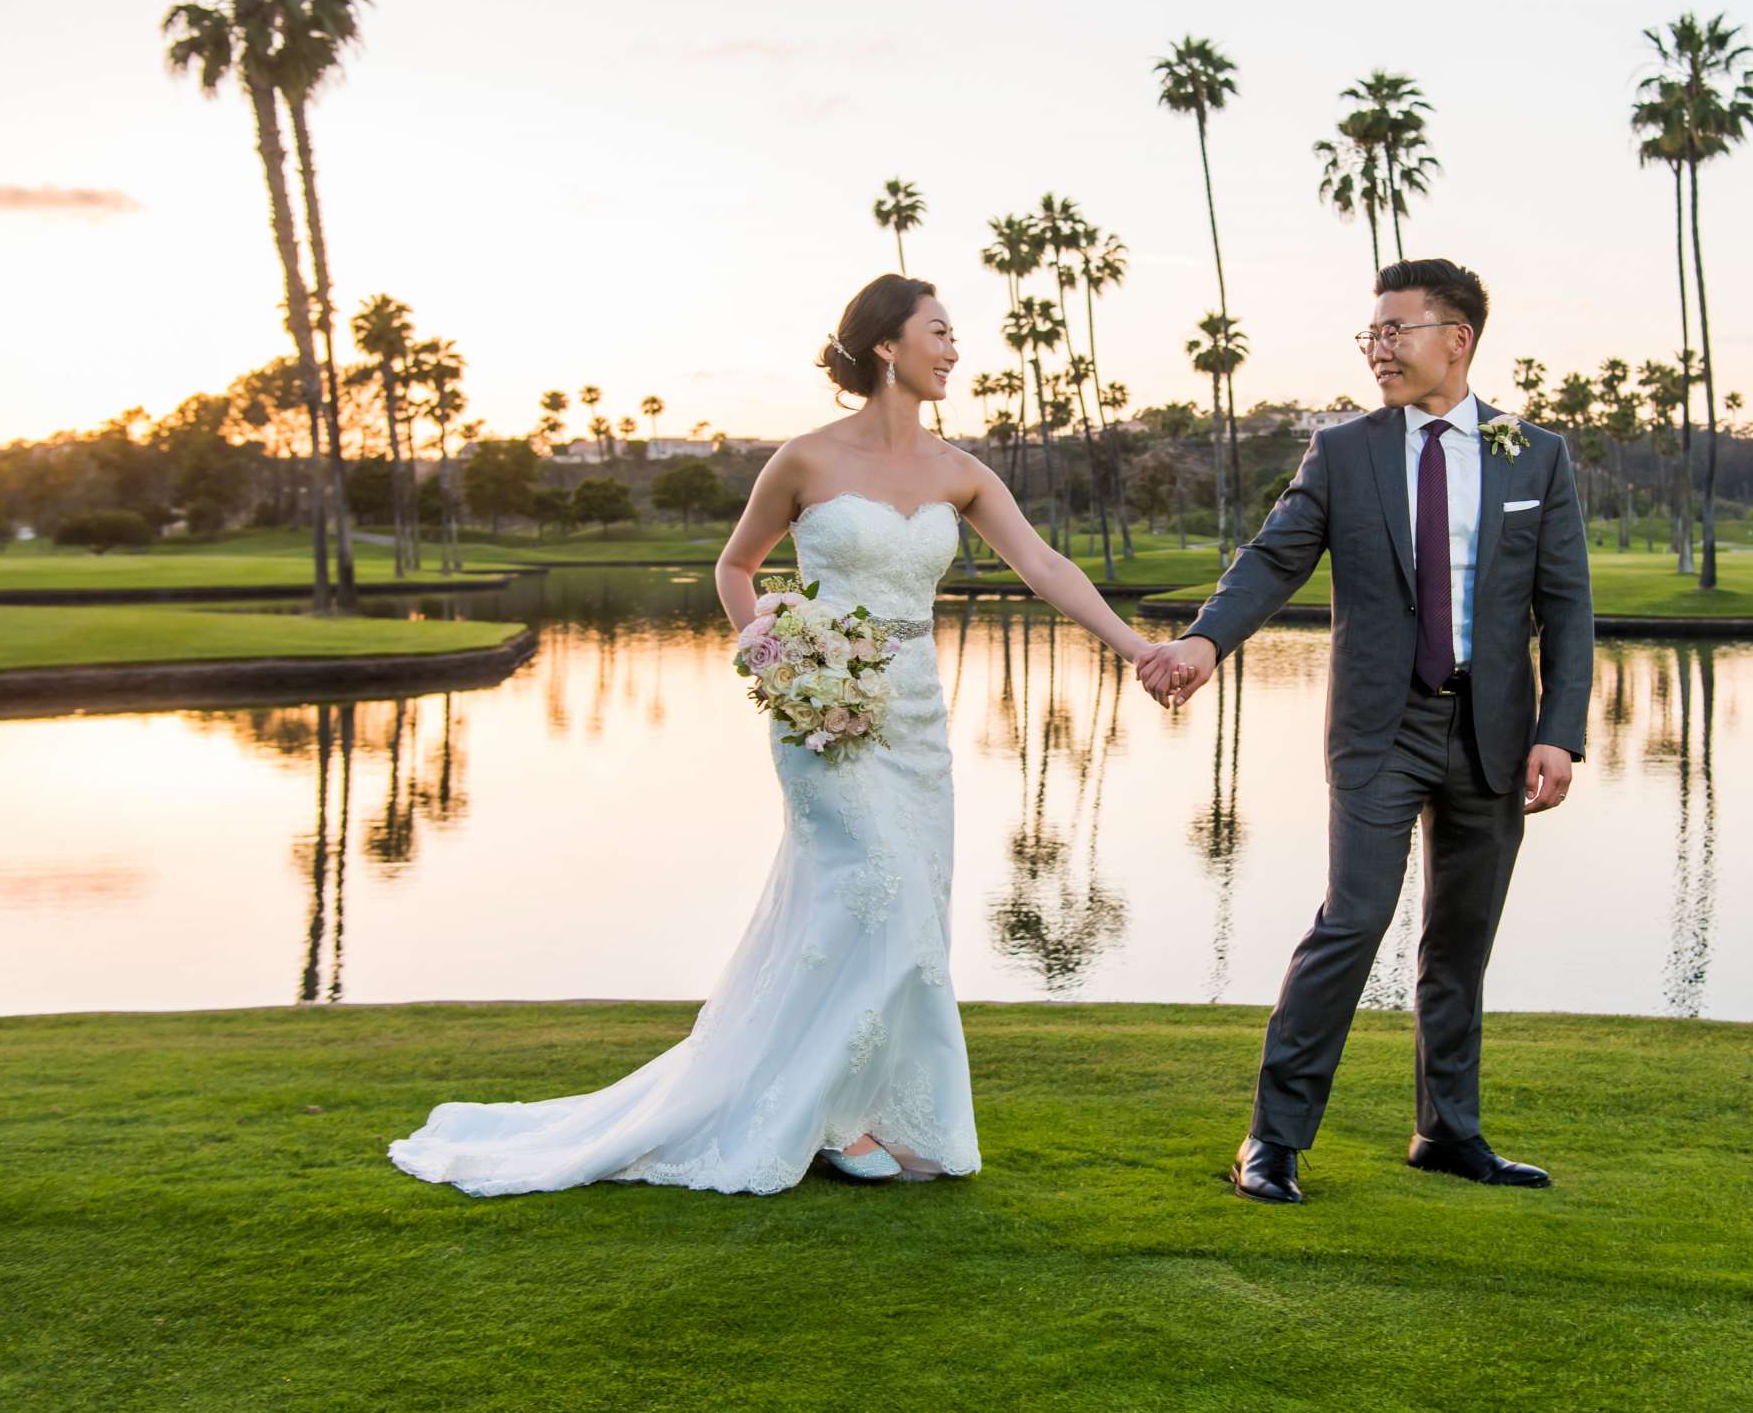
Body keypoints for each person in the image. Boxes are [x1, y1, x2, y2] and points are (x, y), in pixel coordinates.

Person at [389, 274, 1181, 1195]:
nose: (955, 348)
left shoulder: (961, 471)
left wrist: (1137, 649)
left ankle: (878, 1105)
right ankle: (835, 1122)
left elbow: (1044, 564)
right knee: (873, 889)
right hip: (824, 715)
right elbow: (737, 567)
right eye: (941, 331)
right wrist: (774, 654)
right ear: (887, 345)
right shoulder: (804, 461)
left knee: (908, 908)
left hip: (915, 718)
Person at [1136, 258, 1593, 1205]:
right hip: (1382, 730)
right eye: (1372, 333)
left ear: (1457, 339)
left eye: (1398, 330)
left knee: (1461, 940)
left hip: (1494, 734)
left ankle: (1448, 1132)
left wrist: (1561, 731)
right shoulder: (1343, 451)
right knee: (1352, 921)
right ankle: (1272, 1141)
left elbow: (1568, 605)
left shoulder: (1532, 455)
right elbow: (1273, 559)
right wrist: (1206, 643)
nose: (1379, 348)